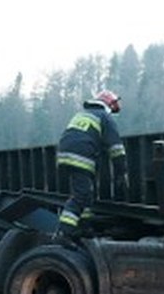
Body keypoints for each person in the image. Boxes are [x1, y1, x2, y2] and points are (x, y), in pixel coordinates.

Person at [53, 89, 128, 242]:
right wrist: (122, 171)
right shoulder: (104, 117)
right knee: (81, 196)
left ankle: (84, 227)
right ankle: (63, 233)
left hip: (64, 154)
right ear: (108, 104)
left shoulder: (82, 114)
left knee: (86, 193)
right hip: (80, 157)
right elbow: (116, 148)